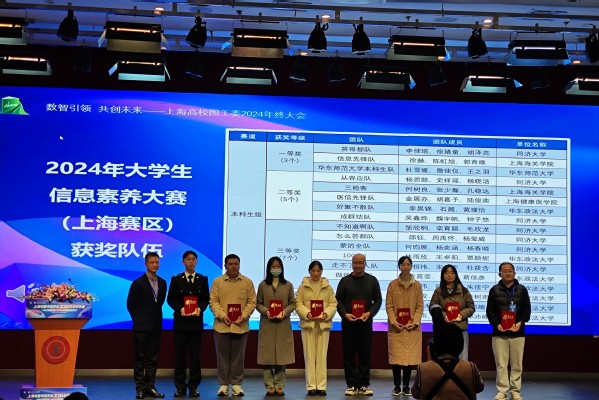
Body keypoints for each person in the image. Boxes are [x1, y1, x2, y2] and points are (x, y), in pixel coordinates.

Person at [209, 254, 257, 397]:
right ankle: (223, 385)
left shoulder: (247, 282)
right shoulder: (218, 282)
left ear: (239, 265)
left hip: (240, 326)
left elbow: (252, 302)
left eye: (236, 264)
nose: (234, 266)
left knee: (238, 357)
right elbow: (213, 301)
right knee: (222, 357)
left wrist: (244, 316)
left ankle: (236, 384)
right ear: (225, 266)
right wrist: (222, 316)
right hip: (221, 326)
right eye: (230, 264)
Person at [336, 253, 382, 396]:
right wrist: (345, 314)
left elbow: (378, 301)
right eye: (355, 262)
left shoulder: (372, 280)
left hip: (365, 322)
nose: (358, 265)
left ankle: (363, 384)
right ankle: (351, 384)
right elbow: (338, 301)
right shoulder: (344, 281)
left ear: (365, 263)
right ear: (352, 263)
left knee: (365, 355)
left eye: (360, 262)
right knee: (349, 355)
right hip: (348, 323)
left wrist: (370, 313)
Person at [167, 250, 210, 397]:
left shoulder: (202, 279)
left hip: (196, 324)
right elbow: (170, 299)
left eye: (193, 259)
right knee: (180, 357)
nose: (191, 261)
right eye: (188, 259)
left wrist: (200, 308)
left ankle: (193, 386)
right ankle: (180, 387)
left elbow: (205, 299)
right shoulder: (176, 279)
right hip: (181, 324)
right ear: (183, 262)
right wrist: (181, 309)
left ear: (196, 262)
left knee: (195, 357)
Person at [486, 262, 531, 400]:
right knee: (501, 365)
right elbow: (490, 311)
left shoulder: (522, 289)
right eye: (504, 271)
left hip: (518, 333)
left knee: (517, 365)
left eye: (510, 270)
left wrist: (519, 322)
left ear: (514, 273)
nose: (507, 273)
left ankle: (515, 391)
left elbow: (527, 310)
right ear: (499, 274)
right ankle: (502, 391)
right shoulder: (494, 290)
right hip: (499, 333)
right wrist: (496, 324)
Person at [126, 252, 167, 399]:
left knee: (153, 359)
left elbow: (159, 303)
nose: (155, 265)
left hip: (156, 326)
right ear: (146, 264)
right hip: (141, 327)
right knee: (140, 359)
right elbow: (130, 304)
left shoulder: (162, 282)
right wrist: (138, 319)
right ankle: (140, 388)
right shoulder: (138, 283)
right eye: (152, 262)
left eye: (157, 262)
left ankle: (150, 386)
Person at [296, 260, 338, 396]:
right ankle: (311, 386)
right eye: (313, 270)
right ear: (309, 271)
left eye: (318, 271)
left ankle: (321, 386)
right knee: (309, 356)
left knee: (321, 357)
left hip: (323, 326)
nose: (315, 273)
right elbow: (298, 304)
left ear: (321, 272)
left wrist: (325, 314)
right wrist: (307, 314)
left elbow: (333, 304)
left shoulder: (328, 287)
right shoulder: (302, 287)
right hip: (308, 325)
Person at [256, 256, 296, 396]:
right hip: (267, 324)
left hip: (282, 324)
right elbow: (258, 303)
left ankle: (279, 385)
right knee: (267, 356)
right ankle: (269, 385)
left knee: (281, 356)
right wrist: (266, 311)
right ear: (269, 268)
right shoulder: (262, 285)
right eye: (273, 266)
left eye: (278, 266)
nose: (276, 269)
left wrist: (284, 312)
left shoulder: (288, 285)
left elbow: (293, 303)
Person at [411, 323, 484, 400]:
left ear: (435, 346)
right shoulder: (471, 367)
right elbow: (479, 388)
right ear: (460, 345)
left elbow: (416, 394)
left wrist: (430, 362)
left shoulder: (422, 369)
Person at [386, 255, 424, 397]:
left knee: (409, 358)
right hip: (396, 328)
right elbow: (389, 306)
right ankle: (396, 386)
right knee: (396, 358)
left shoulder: (417, 285)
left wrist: (414, 322)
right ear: (399, 267)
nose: (406, 267)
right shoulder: (392, 285)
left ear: (411, 266)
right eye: (403, 264)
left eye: (408, 264)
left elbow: (420, 306)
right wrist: (394, 322)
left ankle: (407, 386)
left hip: (411, 327)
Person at [428, 264, 475, 360]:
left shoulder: (464, 291)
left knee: (463, 360)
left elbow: (471, 307)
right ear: (443, 275)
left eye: (452, 273)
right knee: (445, 360)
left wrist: (461, 315)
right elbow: (433, 307)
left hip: (460, 329)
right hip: (444, 330)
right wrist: (445, 316)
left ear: (456, 275)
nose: (449, 275)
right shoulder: (438, 291)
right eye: (446, 273)